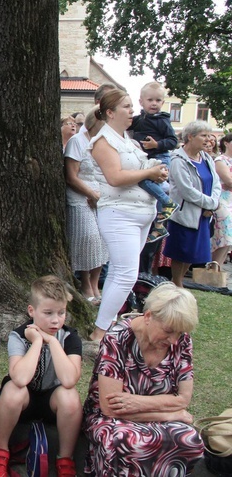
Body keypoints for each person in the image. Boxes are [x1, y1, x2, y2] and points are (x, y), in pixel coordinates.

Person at [82, 283, 204, 475]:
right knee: (122, 439)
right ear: (148, 316)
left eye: (179, 333)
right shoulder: (117, 338)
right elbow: (110, 408)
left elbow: (183, 399)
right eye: (168, 331)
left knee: (189, 438)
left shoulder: (182, 340)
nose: (173, 340)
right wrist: (169, 414)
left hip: (144, 414)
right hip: (110, 419)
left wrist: (137, 402)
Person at [87, 89, 168, 342]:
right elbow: (116, 177)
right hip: (120, 214)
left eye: (132, 106)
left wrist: (157, 170)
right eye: (126, 106)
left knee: (119, 274)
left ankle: (107, 324)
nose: (132, 110)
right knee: (126, 274)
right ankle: (99, 332)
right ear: (110, 112)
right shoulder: (103, 141)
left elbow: (140, 169)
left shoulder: (130, 141)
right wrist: (148, 174)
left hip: (142, 213)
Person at [0, 276, 82, 477]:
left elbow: (69, 380)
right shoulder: (18, 335)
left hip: (52, 401)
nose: (56, 320)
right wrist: (37, 342)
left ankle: (65, 458)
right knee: (13, 390)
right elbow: (20, 378)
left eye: (61, 312)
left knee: (70, 396)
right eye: (48, 313)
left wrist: (53, 342)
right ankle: (0, 452)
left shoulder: (70, 337)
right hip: (24, 401)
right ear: (32, 311)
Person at [163, 120, 220, 287]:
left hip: (204, 214)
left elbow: (215, 182)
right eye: (203, 135)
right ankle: (177, 284)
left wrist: (213, 204)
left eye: (209, 135)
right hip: (185, 214)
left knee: (194, 254)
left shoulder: (206, 157)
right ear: (190, 136)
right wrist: (211, 204)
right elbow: (186, 191)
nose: (208, 139)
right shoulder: (177, 160)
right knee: (181, 252)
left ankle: (177, 283)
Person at [64, 107, 108, 304]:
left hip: (100, 196)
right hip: (80, 196)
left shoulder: (102, 143)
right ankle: (85, 283)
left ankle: (95, 284)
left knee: (102, 240)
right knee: (88, 239)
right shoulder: (77, 141)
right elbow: (71, 176)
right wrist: (90, 193)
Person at [128, 82, 180, 241]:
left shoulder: (162, 120)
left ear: (163, 103)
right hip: (147, 159)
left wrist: (156, 144)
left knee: (144, 182)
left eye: (158, 100)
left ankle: (168, 202)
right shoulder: (138, 120)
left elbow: (173, 141)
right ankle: (159, 227)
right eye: (150, 100)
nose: (154, 104)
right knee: (152, 190)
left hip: (160, 157)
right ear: (141, 102)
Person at [211, 134, 232, 266]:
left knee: (229, 239)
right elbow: (228, 181)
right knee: (223, 234)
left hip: (231, 200)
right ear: (226, 143)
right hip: (223, 200)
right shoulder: (221, 160)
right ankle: (213, 266)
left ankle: (217, 268)